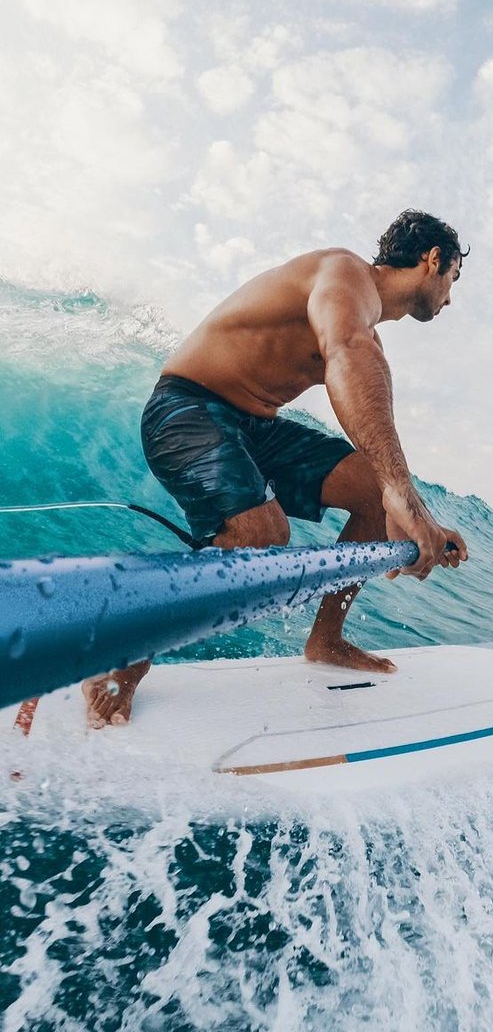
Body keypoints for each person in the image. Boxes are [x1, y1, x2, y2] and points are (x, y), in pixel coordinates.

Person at [83, 210, 469, 729]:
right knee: (263, 533)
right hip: (187, 407)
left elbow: (364, 383)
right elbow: (344, 353)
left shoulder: (369, 331)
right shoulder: (344, 273)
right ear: (433, 260)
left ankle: (326, 639)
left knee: (373, 489)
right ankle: (122, 653)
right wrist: (402, 492)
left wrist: (414, 509)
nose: (450, 297)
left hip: (252, 425)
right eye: (453, 280)